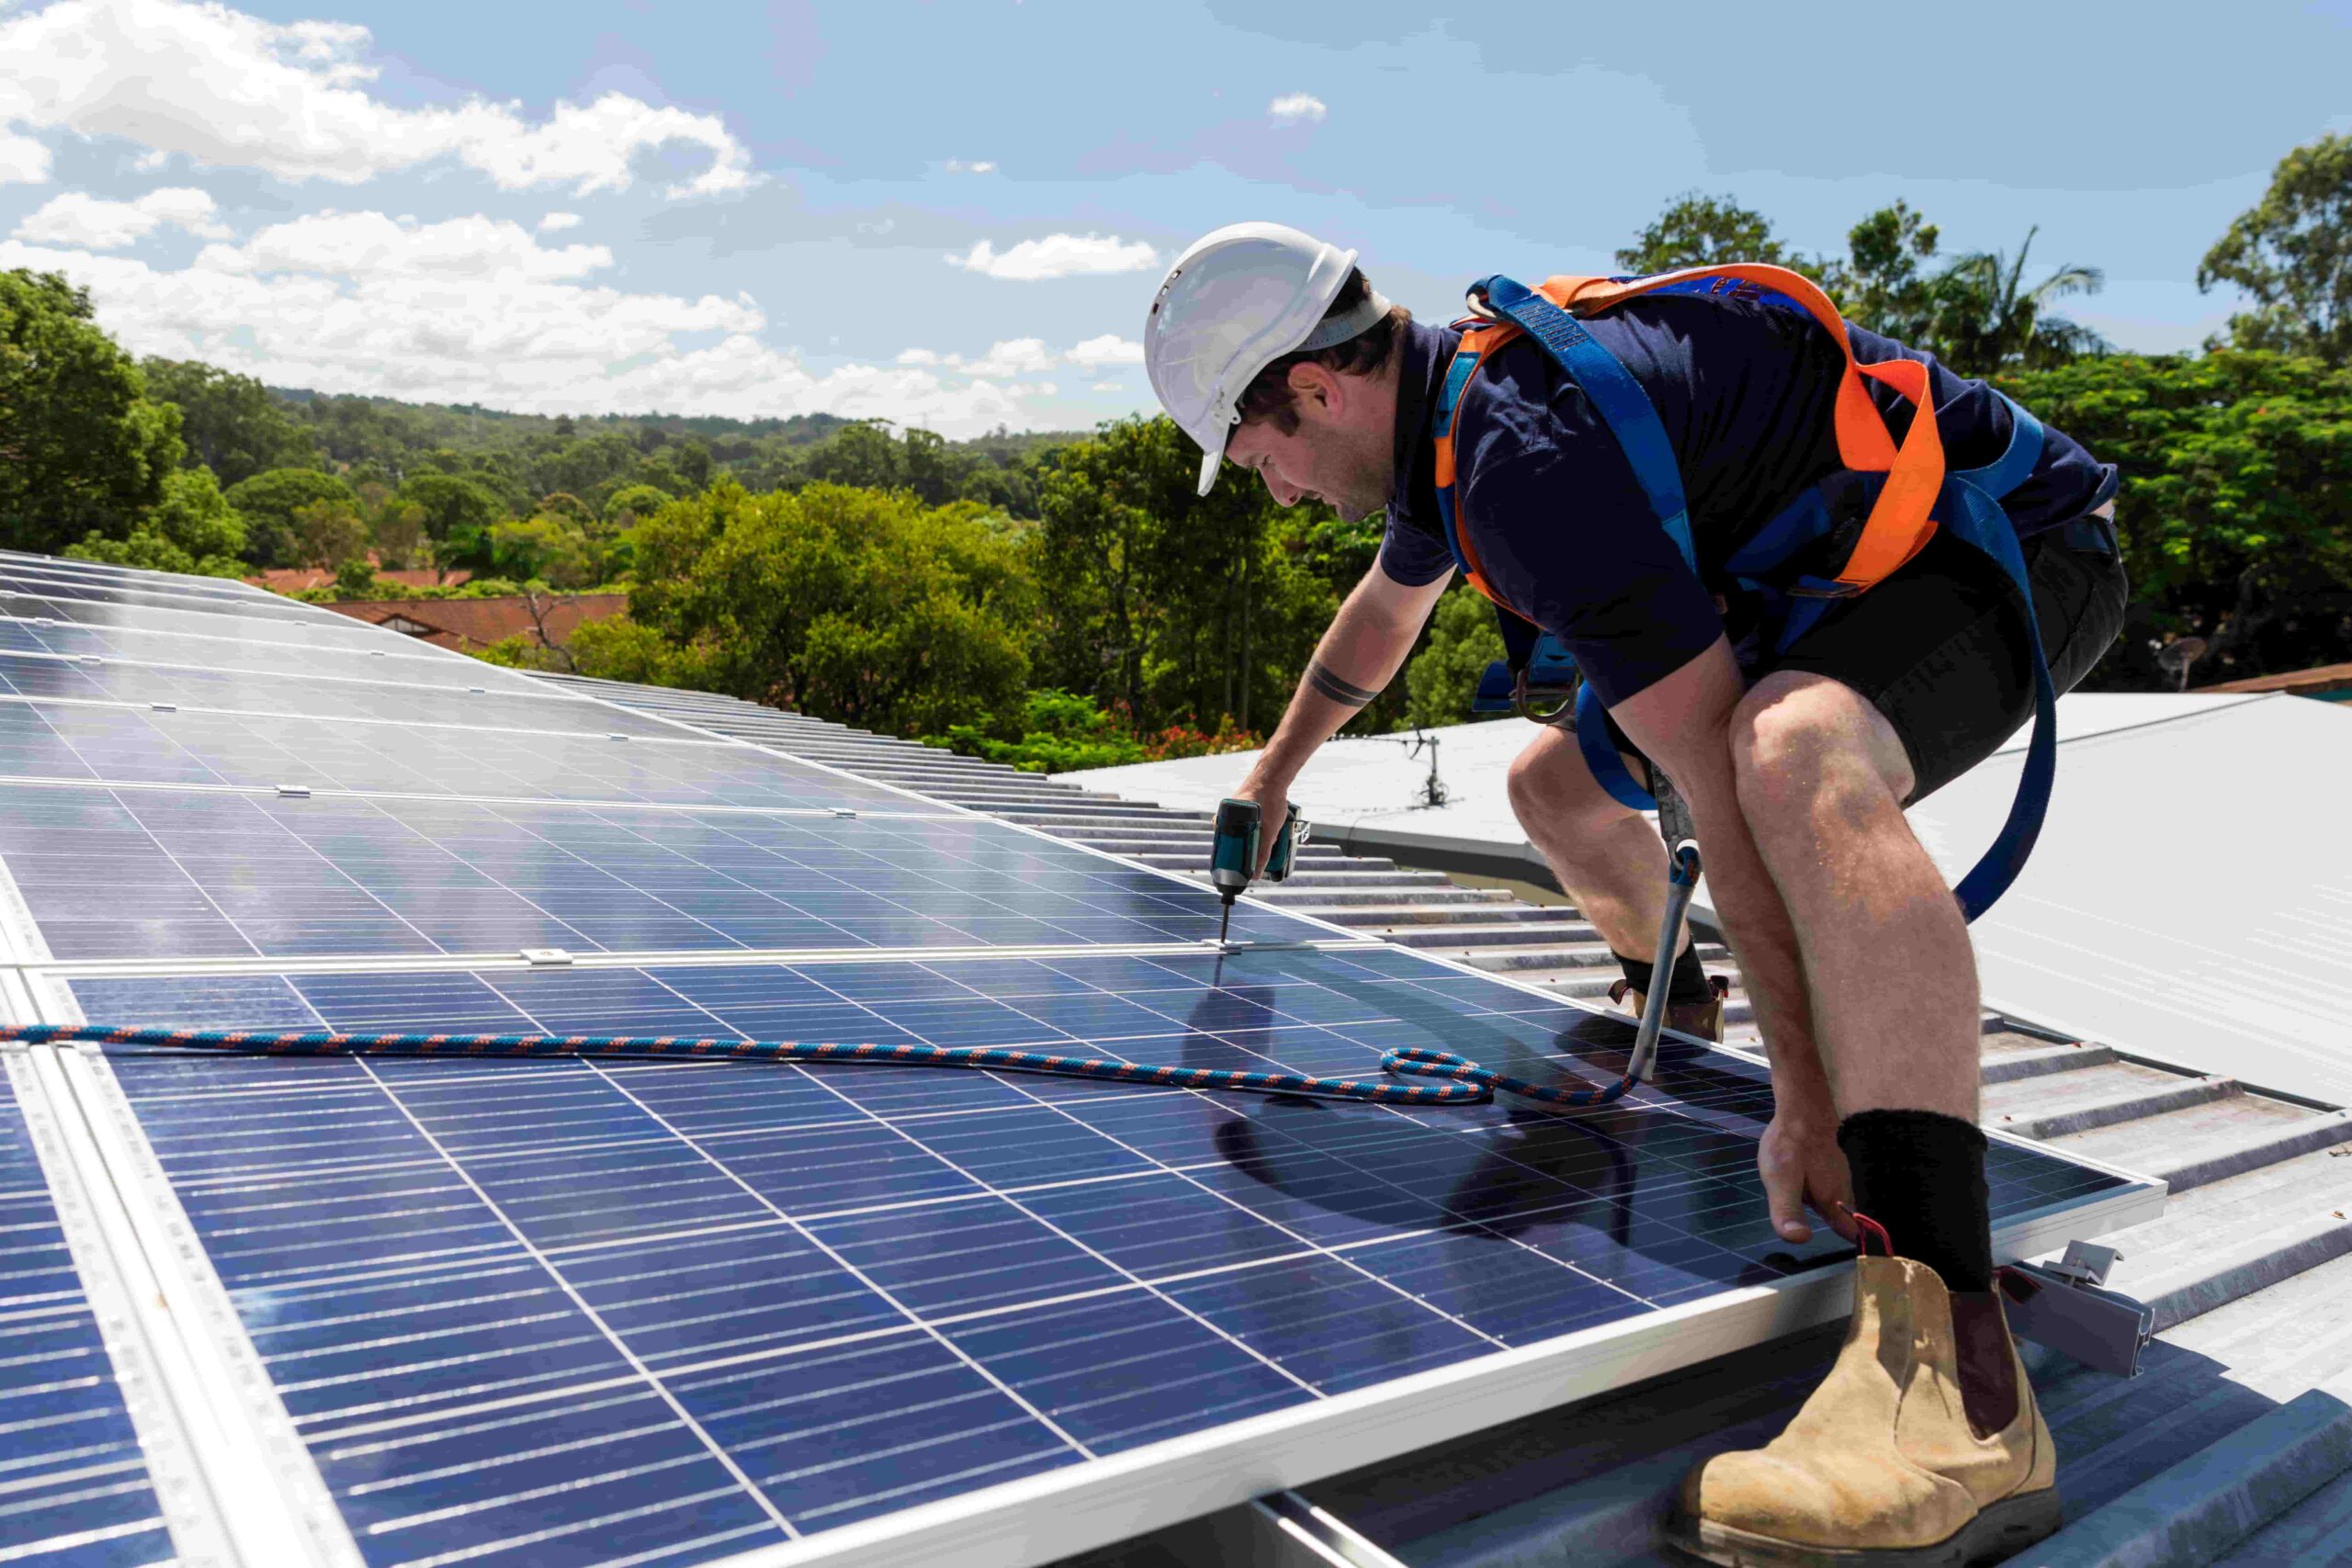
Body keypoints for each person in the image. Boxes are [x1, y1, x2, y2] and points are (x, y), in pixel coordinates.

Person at [1143, 221, 2127, 1567]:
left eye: (1264, 460)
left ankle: (1954, 1384)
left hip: (2010, 550)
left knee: (1788, 754)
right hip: (1822, 589)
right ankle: (1676, 1007)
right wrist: (1269, 784)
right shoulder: (1445, 426)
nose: (1277, 493)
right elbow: (1381, 620)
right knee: (1554, 789)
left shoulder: (1523, 463)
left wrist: (1812, 1104)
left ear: (1315, 389)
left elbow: (1718, 798)